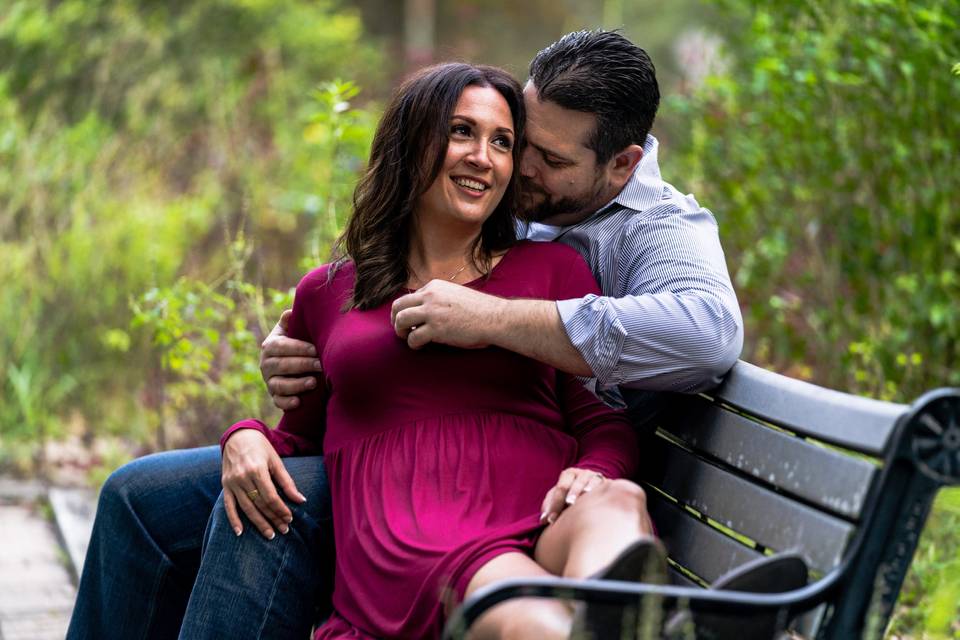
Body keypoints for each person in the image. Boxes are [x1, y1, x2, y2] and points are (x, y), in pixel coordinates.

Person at [68, 60, 657, 640]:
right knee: (516, 606)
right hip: (423, 527)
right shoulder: (328, 294)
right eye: (461, 132)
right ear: (411, 145)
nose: (484, 156)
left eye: (503, 142)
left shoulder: (552, 269)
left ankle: (631, 615)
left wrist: (594, 471)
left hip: (541, 501)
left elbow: (601, 418)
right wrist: (244, 435)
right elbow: (299, 438)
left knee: (619, 502)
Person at [265, 30, 742, 419]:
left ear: (622, 164)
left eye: (551, 158)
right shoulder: (522, 194)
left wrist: (492, 316)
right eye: (521, 141)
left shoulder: (660, 226)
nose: (519, 166)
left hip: (546, 476)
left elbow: (708, 334)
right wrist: (312, 345)